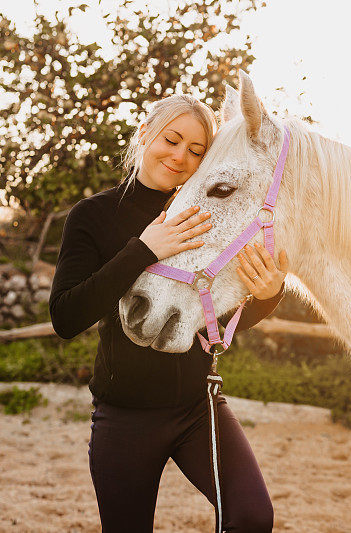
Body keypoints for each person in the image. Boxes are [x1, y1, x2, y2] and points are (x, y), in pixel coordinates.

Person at [49, 94, 287, 533]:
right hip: (125, 417)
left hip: (199, 408)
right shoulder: (93, 216)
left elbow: (210, 318)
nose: (180, 157)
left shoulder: (205, 211)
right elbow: (66, 317)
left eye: (196, 151)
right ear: (145, 134)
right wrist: (143, 250)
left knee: (253, 518)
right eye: (172, 140)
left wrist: (269, 295)